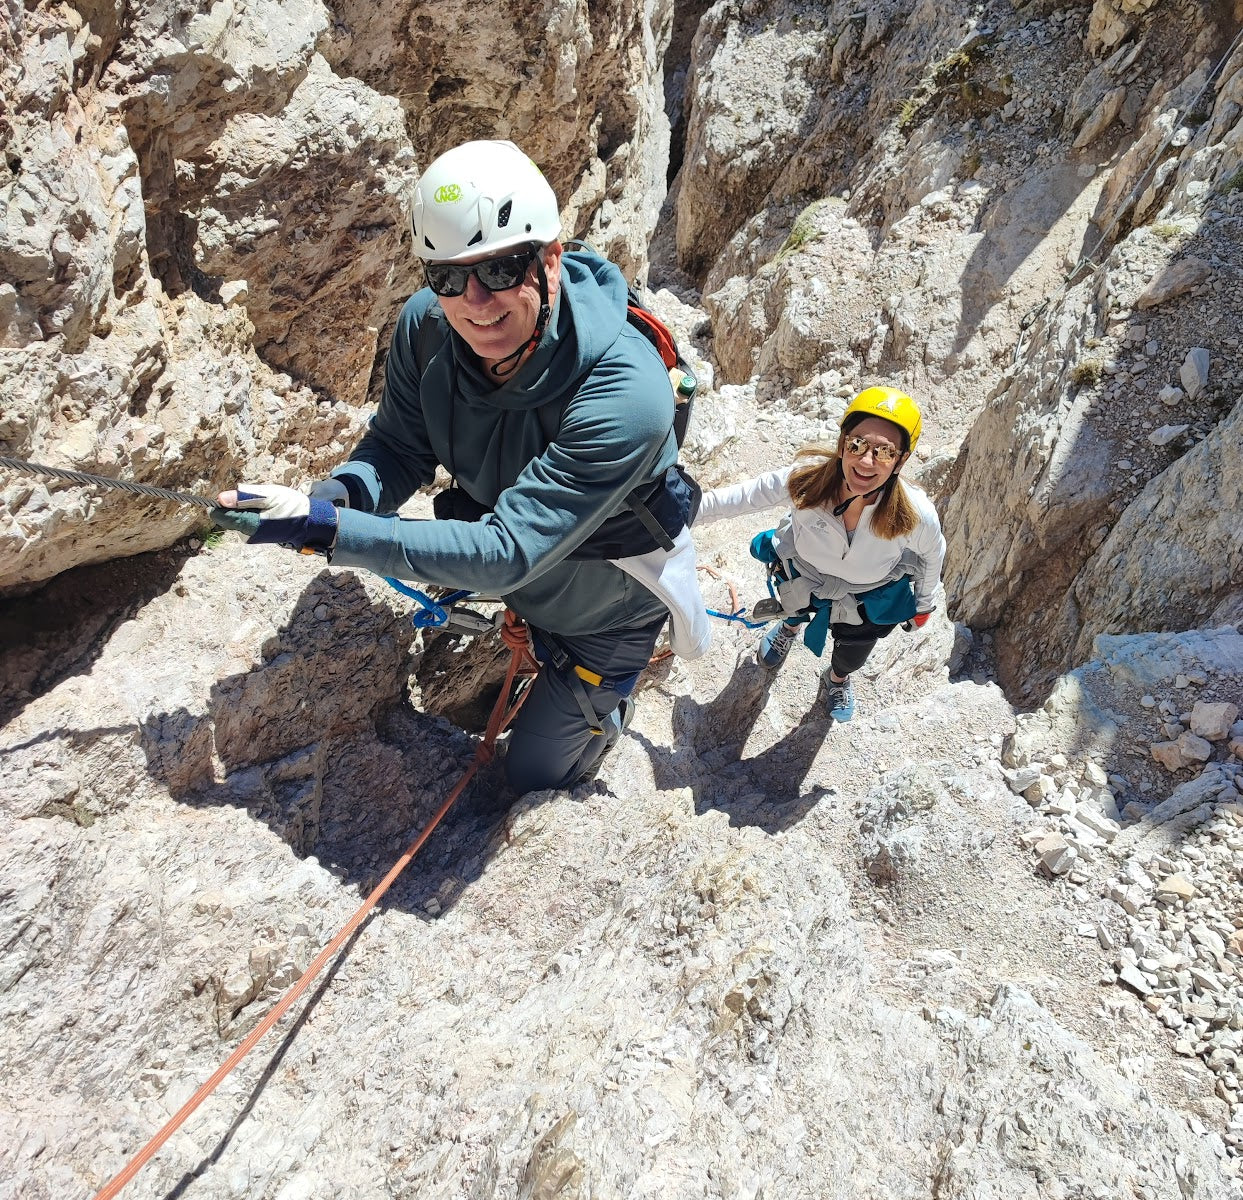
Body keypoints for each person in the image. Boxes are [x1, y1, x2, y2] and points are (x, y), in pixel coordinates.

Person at [212, 139, 707, 793]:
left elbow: (505, 550)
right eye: (448, 277)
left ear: (550, 261)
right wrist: (339, 498)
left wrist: (324, 533)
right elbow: (398, 447)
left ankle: (608, 701)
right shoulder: (426, 329)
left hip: (603, 615)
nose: (474, 299)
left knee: (531, 775)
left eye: (500, 269)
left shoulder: (625, 391)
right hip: (524, 575)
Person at [694, 386, 945, 723]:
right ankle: (789, 629)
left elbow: (933, 551)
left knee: (852, 654)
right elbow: (740, 498)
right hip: (805, 575)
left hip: (866, 596)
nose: (866, 461)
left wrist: (924, 603)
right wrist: (681, 511)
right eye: (857, 444)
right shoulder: (806, 481)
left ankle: (837, 678)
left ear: (900, 460)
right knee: (794, 607)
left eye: (884, 452)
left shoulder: (915, 514)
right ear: (842, 442)